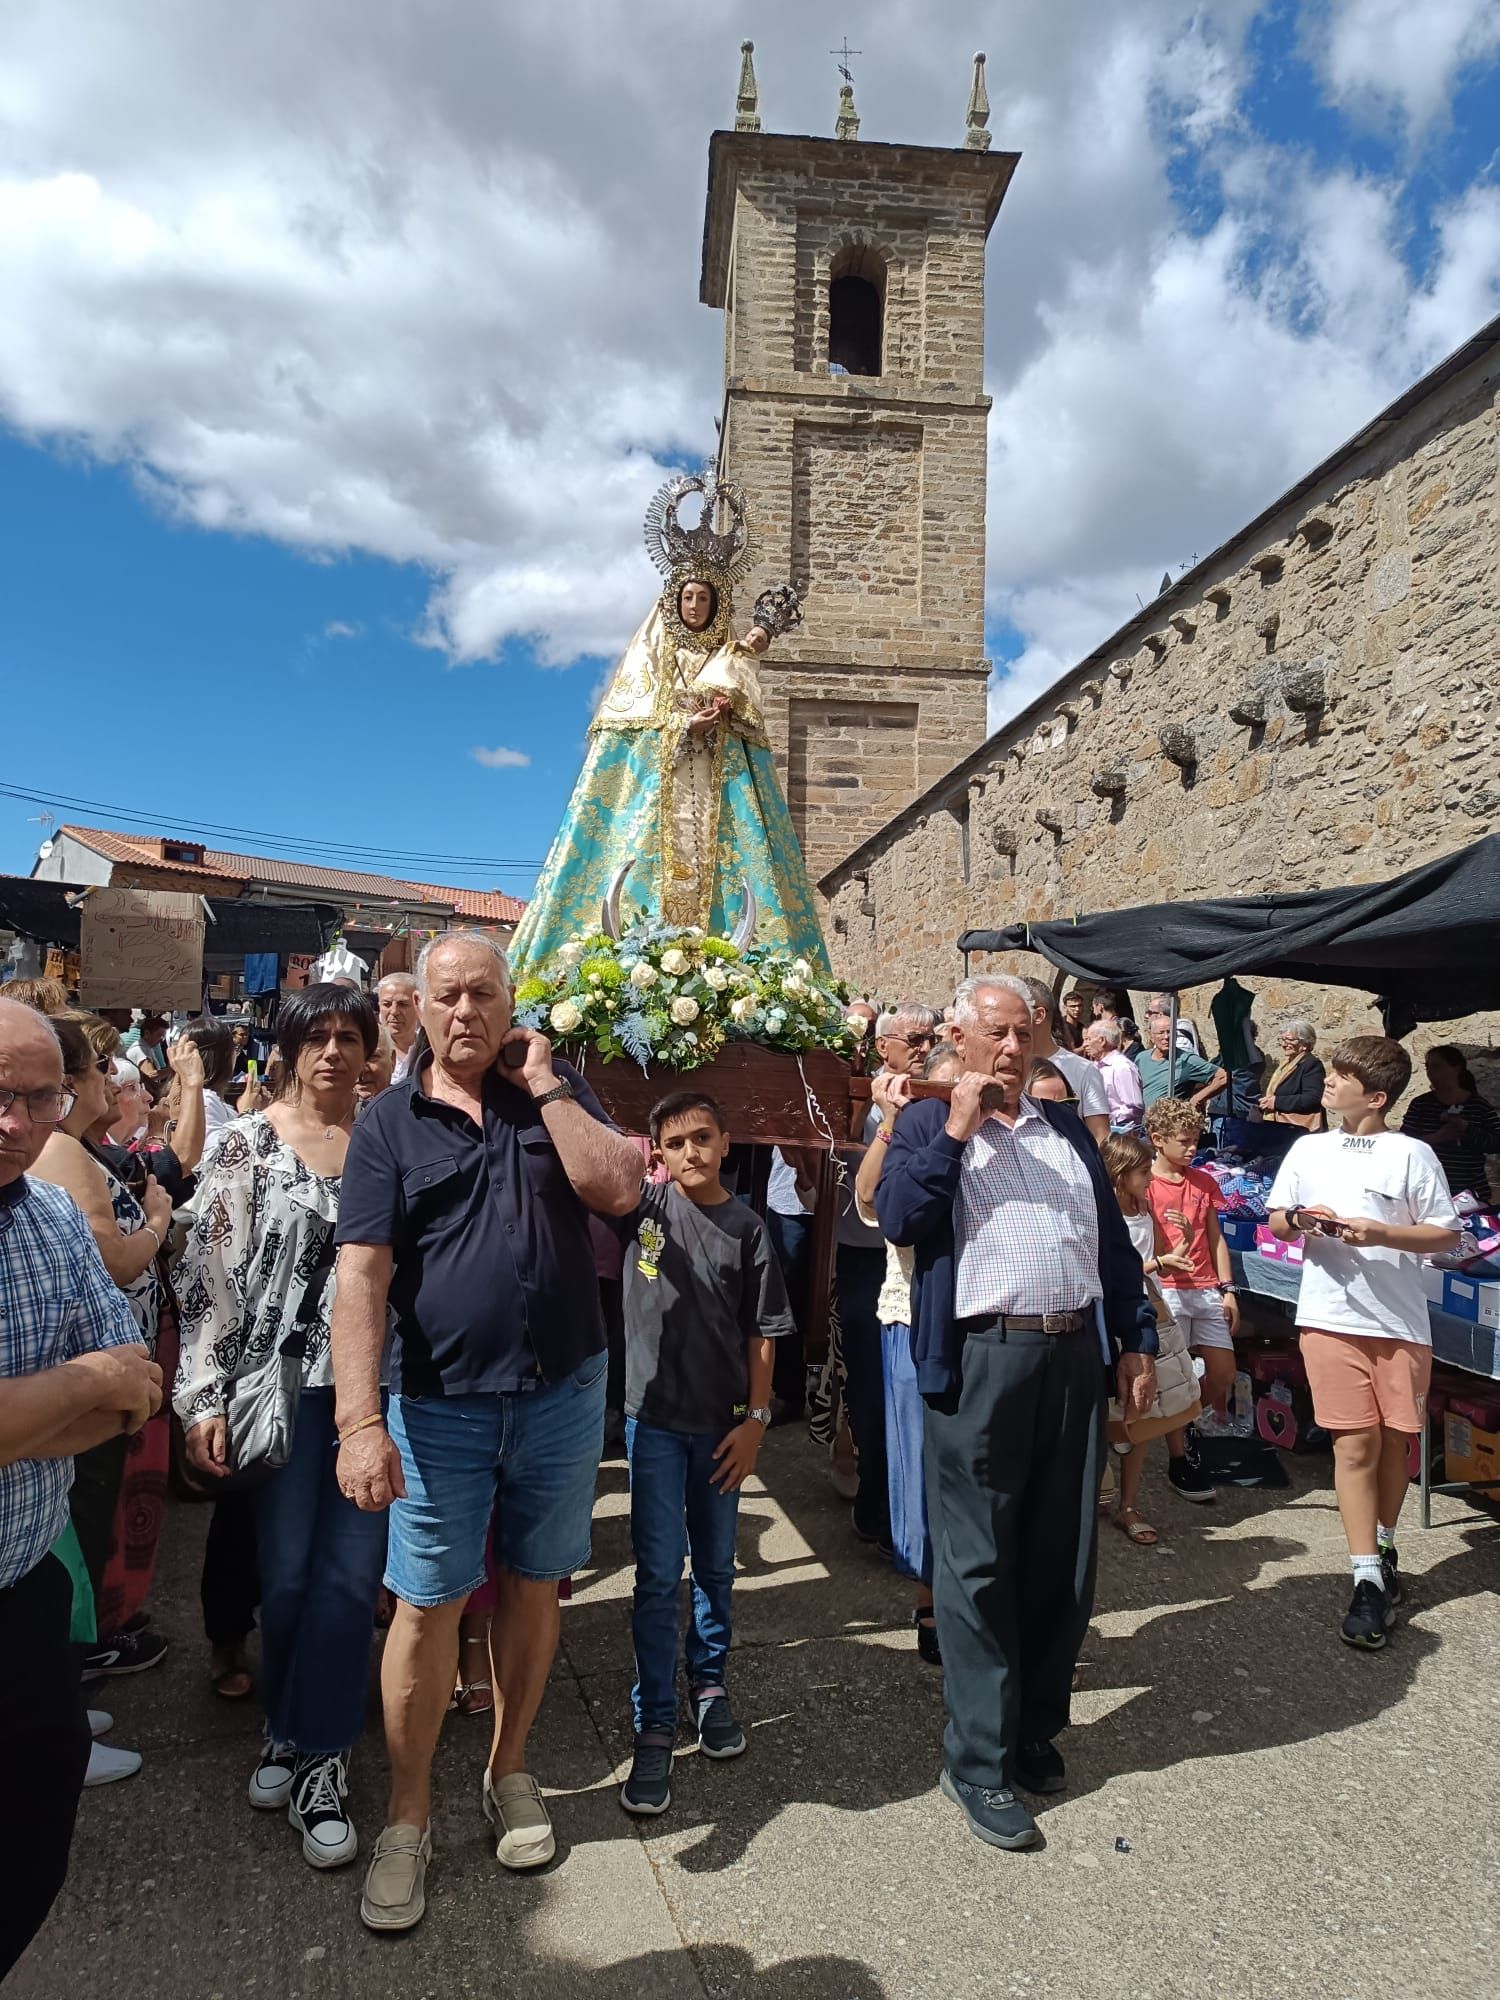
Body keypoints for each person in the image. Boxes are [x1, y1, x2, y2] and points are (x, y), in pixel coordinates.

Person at [330, 931, 643, 1932]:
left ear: (514, 1002)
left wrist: (549, 1083)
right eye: (450, 994)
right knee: (424, 1603)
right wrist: (358, 1421)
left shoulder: (556, 1092)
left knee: (536, 1583)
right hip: (438, 1405)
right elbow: (363, 1277)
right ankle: (409, 1813)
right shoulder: (388, 1122)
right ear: (419, 1005)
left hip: (561, 1393)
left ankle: (510, 1770)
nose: (467, 1011)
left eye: (485, 993)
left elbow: (621, 1190)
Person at [876, 974, 1157, 1852]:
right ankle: (979, 1759)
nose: (1010, 1049)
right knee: (979, 1565)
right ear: (954, 1037)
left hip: (1074, 1353)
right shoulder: (928, 1124)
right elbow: (901, 1216)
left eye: (1022, 1034)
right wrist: (957, 1124)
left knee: (1061, 1555)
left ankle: (1034, 1726)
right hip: (983, 1359)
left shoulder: (1065, 1125)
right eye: (993, 1033)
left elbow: (1109, 1242)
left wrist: (1136, 1335)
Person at [176, 983, 386, 1871]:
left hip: (372, 1395)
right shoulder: (243, 1145)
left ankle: (320, 1757)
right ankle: (287, 1729)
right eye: (316, 1037)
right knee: (290, 1578)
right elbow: (207, 1279)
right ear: (288, 1047)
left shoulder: (387, 1141)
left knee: (350, 1580)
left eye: (349, 1037)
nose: (333, 1052)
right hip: (277, 1393)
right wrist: (202, 1394)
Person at [510, 467, 828, 973]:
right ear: (673, 602)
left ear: (717, 603)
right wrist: (684, 726)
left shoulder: (732, 653)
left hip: (722, 783)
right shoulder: (651, 656)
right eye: (687, 597)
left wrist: (737, 682)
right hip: (659, 786)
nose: (695, 605)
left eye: (704, 597)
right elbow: (629, 728)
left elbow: (742, 696)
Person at [0, 998, 160, 1980]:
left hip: (20, 1590)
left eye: (34, 1096)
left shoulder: (50, 1210)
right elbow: (104, 1381)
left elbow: (136, 1387)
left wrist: (71, 1399)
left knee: (31, 1832)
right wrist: (81, 1384)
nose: (13, 1119)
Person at [617, 1091, 793, 1815]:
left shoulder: (748, 1228)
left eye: (703, 1138)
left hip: (721, 1429)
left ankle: (710, 1687)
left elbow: (764, 1332)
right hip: (653, 1423)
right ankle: (655, 1716)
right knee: (659, 1576)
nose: (691, 1152)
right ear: (655, 1150)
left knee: (715, 1567)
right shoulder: (642, 1214)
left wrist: (756, 1420)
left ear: (726, 1144)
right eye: (676, 1141)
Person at [1267, 1036, 1460, 1648]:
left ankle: (1382, 1542)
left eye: (1342, 1075)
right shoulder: (1307, 1147)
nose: (1328, 1080)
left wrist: (1383, 1232)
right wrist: (1302, 1219)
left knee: (1396, 1445)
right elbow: (1276, 1217)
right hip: (1329, 1318)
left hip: (1398, 1324)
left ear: (1375, 1097)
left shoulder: (1412, 1154)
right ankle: (1366, 1578)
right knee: (1353, 1448)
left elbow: (1444, 1236)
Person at [30, 1013, 175, 1681]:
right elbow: (113, 1261)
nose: (105, 1080)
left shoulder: (71, 1147)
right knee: (80, 1527)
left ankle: (72, 1668)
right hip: (87, 1376)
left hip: (105, 1371)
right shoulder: (60, 1151)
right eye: (94, 1069)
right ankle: (72, 1670)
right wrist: (157, 1225)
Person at [1099, 1132, 1203, 1546]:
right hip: (1112, 1316)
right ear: (1121, 1175)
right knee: (1111, 1413)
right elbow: (1115, 1266)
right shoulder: (1104, 1213)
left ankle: (1128, 1504)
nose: (1149, 1180)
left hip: (1143, 1312)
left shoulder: (1144, 1207)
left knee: (1142, 1416)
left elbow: (1157, 1257)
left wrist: (1184, 1242)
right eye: (1143, 1172)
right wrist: (1159, 1260)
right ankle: (1103, 1487)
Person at [1139, 1098, 1238, 1500]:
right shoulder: (1144, 1182)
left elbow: (1215, 1237)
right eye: (1185, 1141)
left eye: (1196, 1140)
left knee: (1223, 1371)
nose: (1193, 1148)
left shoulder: (1202, 1183)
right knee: (1174, 1374)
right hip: (1169, 1289)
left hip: (1205, 1287)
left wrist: (1228, 1290)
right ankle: (1181, 1458)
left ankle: (1185, 1420)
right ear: (1159, 1140)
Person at [1400, 1045, 1500, 1199]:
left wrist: (1467, 1129)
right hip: (1427, 1190)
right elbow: (1403, 1144)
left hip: (1471, 1192)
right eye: (1427, 1067)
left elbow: (1496, 1143)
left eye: (1437, 1066)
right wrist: (1437, 1137)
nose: (1430, 1072)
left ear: (1456, 1068)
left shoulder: (1479, 1106)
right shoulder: (1421, 1105)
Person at [1022, 981, 1110, 1142]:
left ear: (1038, 1015)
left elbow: (1100, 1138)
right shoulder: (1003, 1067)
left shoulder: (1084, 1070)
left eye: (1015, 1010)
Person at [1134, 999, 1227, 1112]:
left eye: (1170, 1032)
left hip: (1169, 1125)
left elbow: (1223, 1077)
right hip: (1144, 1125)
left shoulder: (1186, 1060)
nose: (1166, 1037)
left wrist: (1197, 1098)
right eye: (1161, 1033)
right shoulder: (1142, 1058)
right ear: (1151, 1036)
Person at [1258, 1019, 1326, 1131]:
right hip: (1282, 1127)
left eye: (1289, 1040)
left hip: (1299, 1130)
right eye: (1283, 1040)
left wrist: (1276, 1102)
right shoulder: (1287, 1065)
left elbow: (1312, 1098)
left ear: (1304, 1043)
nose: (1284, 1044)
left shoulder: (1311, 1064)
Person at [1083, 1017, 1145, 1131]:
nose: (1084, 1045)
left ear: (1102, 1040)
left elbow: (1133, 1108)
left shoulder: (1122, 1067)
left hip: (1121, 1136)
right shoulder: (1094, 1067)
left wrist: (1105, 1119)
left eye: (1088, 1039)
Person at [375, 973, 422, 1085]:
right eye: (387, 1004)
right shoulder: (368, 1048)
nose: (394, 1011)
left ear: (418, 1005)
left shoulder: (430, 1049)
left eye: (403, 1004)